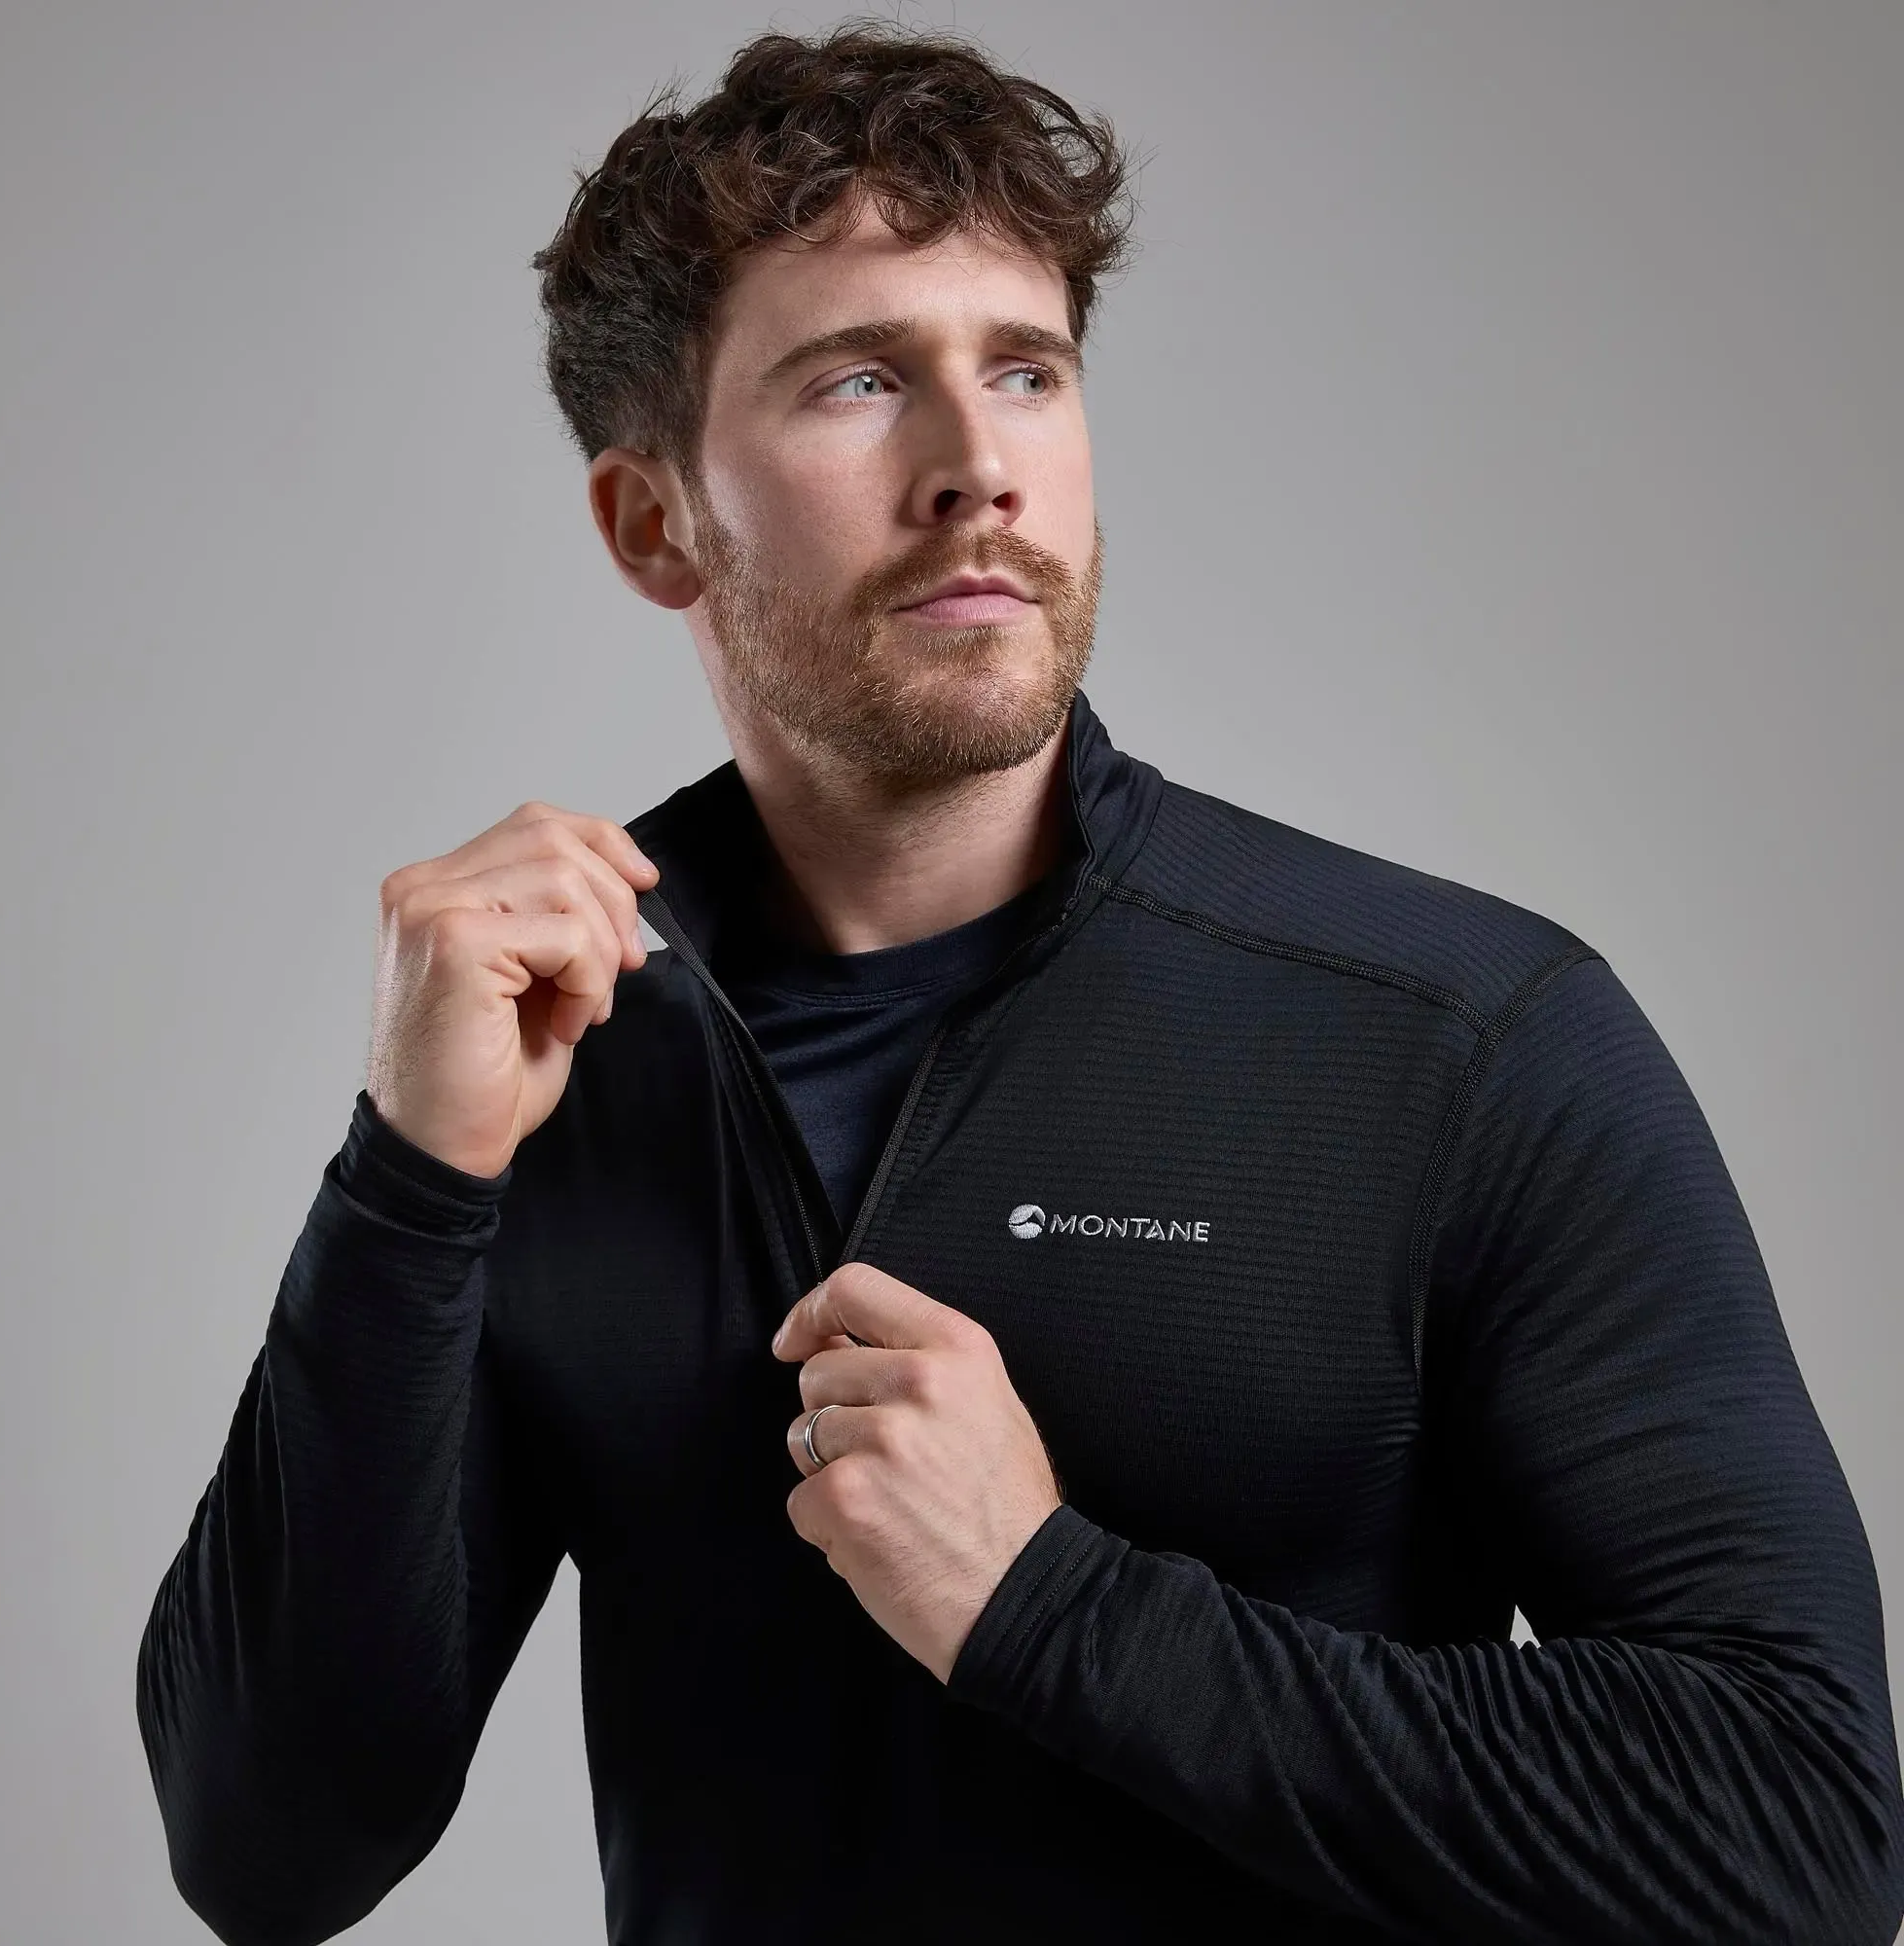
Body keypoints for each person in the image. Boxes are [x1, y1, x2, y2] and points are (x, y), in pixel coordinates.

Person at [135, 21, 1904, 1945]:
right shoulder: (554, 1058)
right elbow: (270, 1853)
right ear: (656, 523)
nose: (976, 468)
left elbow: (1800, 1832)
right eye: (858, 380)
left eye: (1026, 371)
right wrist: (412, 1178)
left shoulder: (1458, 1038)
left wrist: (1047, 1603)